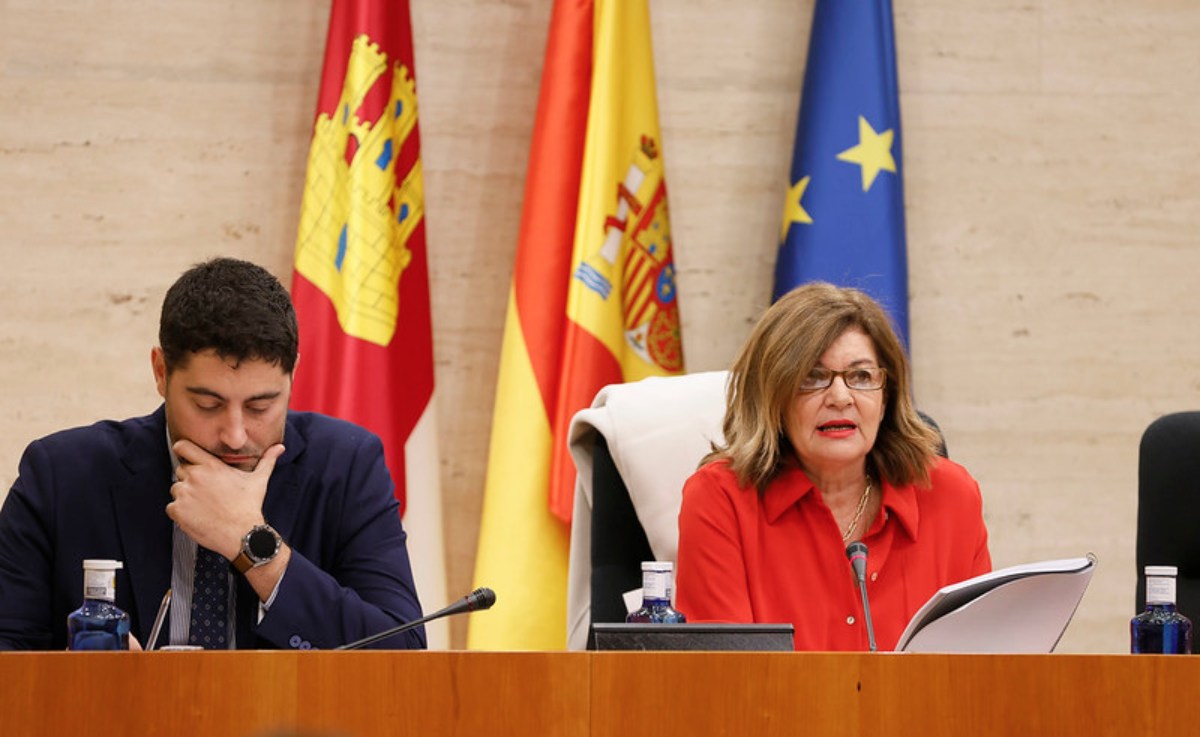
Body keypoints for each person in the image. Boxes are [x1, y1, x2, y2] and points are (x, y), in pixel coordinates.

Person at [0, 258, 425, 650]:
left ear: (292, 375)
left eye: (260, 406)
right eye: (208, 405)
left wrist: (253, 546)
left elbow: (400, 657)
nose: (236, 436)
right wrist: (87, 693)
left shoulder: (346, 466)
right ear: (161, 372)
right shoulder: (61, 477)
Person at [674, 282, 990, 651]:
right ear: (772, 396)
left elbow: (978, 671)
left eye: (861, 377)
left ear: (886, 395)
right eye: (812, 377)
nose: (841, 398)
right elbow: (729, 681)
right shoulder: (721, 499)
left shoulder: (950, 496)